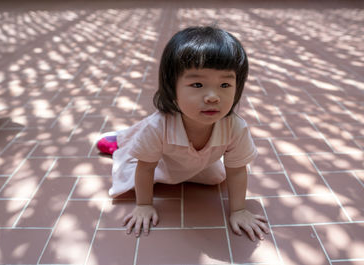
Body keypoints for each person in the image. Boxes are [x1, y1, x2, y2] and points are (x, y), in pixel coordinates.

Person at [97, 26, 269, 241]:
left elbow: (236, 171)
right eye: (197, 84)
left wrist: (239, 210)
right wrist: (143, 205)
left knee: (217, 176)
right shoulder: (158, 126)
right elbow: (146, 167)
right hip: (160, 153)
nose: (213, 97)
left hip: (192, 160)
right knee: (136, 160)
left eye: (225, 84)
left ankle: (134, 140)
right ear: (172, 87)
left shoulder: (236, 127)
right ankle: (121, 141)